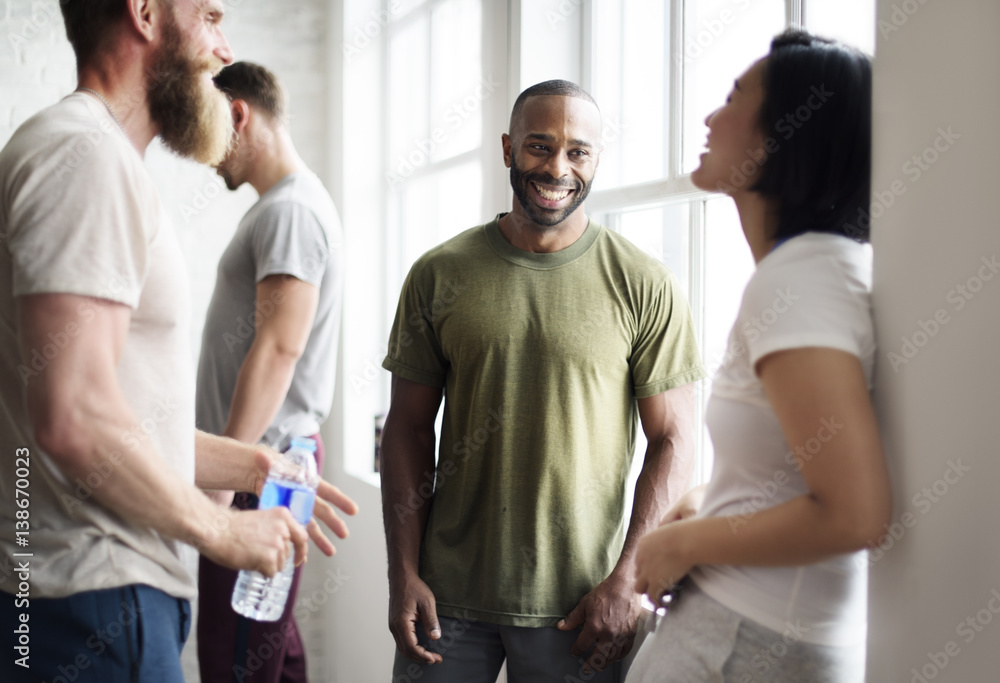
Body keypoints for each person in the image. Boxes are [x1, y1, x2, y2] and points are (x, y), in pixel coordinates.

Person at [0, 2, 355, 681]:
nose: (224, 50)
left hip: (86, 599)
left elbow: (122, 418)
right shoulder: (86, 157)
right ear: (144, 13)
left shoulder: (90, 155)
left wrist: (252, 467)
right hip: (95, 602)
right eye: (211, 18)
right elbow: (75, 417)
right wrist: (220, 526)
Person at [380, 79, 705, 681]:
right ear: (507, 148)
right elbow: (405, 429)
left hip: (582, 606)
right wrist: (403, 572)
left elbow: (676, 439)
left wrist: (627, 581)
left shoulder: (644, 283)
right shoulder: (437, 274)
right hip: (445, 601)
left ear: (596, 160)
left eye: (577, 151)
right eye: (539, 146)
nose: (557, 167)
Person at [628, 29, 891, 682]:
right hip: (747, 633)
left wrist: (679, 541)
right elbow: (796, 471)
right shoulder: (818, 269)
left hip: (747, 640)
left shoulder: (802, 276)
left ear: (788, 134)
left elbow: (854, 510)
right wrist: (707, 502)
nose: (711, 117)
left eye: (733, 97)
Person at [195, 61, 348, 683]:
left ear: (237, 113)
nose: (204, 156)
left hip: (259, 469)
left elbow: (279, 350)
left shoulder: (291, 211)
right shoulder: (287, 206)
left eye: (206, 132)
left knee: (237, 656)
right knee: (269, 652)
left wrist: (219, 477)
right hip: (266, 462)